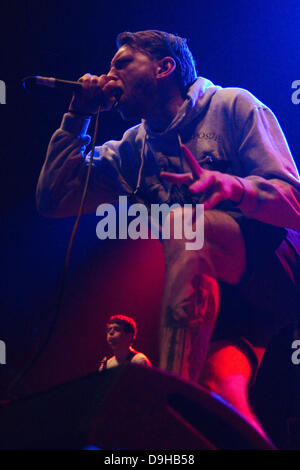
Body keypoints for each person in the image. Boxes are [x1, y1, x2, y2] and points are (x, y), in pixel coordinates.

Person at [36, 30, 300, 438]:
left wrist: (237, 188)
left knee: (184, 225)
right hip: (224, 301)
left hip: (274, 269)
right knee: (223, 403)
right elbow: (54, 198)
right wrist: (76, 117)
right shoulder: (132, 149)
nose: (109, 75)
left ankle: (168, 411)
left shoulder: (233, 105)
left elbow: (294, 204)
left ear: (164, 68)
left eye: (121, 63)